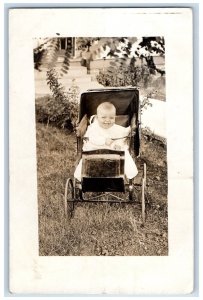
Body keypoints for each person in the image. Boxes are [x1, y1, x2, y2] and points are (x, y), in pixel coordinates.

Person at [74, 102, 138, 181]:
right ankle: (84, 175)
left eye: (111, 118)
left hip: (112, 152)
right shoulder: (94, 127)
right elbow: (91, 138)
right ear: (97, 117)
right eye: (103, 117)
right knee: (86, 156)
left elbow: (123, 133)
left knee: (123, 152)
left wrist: (129, 130)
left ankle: (128, 172)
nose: (107, 120)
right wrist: (103, 141)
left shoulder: (115, 128)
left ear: (115, 117)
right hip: (95, 150)